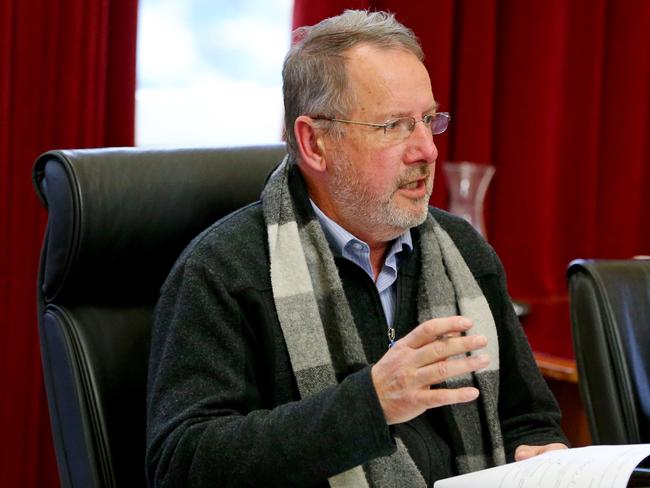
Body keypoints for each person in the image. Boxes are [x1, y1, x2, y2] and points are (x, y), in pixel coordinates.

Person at [146, 10, 568, 487]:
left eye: (428, 120)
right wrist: (369, 404)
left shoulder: (463, 252)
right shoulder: (224, 270)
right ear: (314, 142)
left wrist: (543, 455)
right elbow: (181, 463)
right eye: (394, 126)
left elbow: (527, 418)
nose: (427, 149)